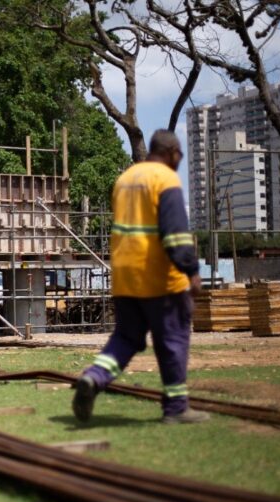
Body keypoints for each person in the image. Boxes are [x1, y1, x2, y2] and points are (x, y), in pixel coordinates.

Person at [72, 129, 209, 424]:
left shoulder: (124, 180)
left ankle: (94, 378)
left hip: (124, 277)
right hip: (159, 278)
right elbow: (175, 234)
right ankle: (176, 408)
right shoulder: (165, 179)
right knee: (173, 337)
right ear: (172, 153)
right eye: (180, 155)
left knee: (126, 337)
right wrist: (192, 271)